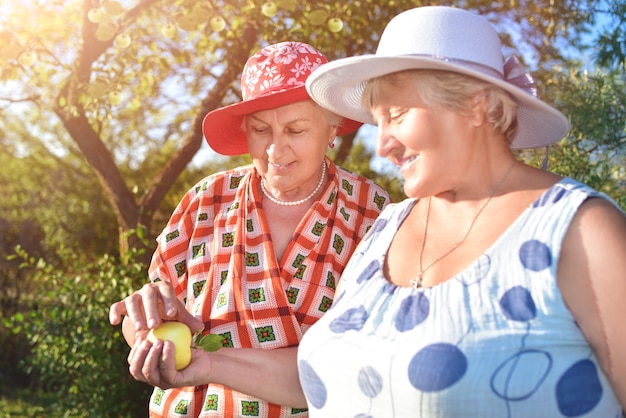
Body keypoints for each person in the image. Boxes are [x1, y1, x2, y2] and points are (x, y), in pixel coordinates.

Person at [298, 6, 626, 417]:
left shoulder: (581, 231)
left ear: (477, 105)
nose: (383, 146)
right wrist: (212, 363)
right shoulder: (383, 229)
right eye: (377, 122)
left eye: (397, 115)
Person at [108, 41, 390, 417]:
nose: (276, 149)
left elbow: (360, 357)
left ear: (332, 127)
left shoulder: (370, 210)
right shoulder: (205, 199)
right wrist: (146, 329)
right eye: (261, 130)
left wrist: (214, 362)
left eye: (295, 129)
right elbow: (148, 317)